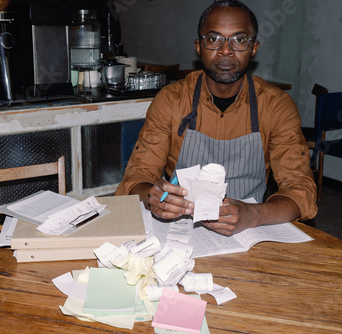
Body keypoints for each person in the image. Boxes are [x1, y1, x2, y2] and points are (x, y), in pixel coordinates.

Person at [115, 0, 317, 235]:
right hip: (179, 226)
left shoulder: (276, 106)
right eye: (214, 39)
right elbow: (136, 178)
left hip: (250, 230)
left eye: (239, 40)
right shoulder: (171, 100)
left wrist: (254, 215)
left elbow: (300, 189)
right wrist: (153, 197)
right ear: (198, 47)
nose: (226, 50)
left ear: (254, 48)